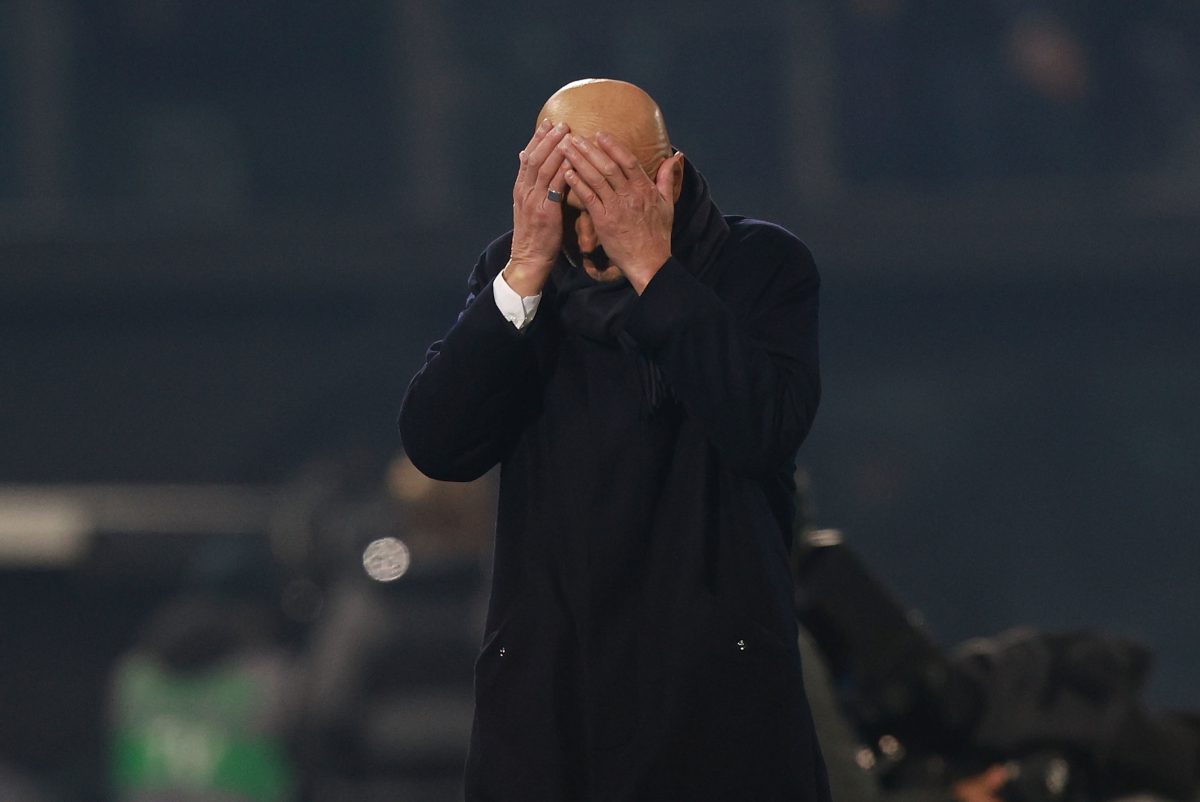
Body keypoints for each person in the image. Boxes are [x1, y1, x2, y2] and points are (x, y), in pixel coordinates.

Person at [398, 78, 826, 801]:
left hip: (712, 705)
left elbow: (763, 429)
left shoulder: (757, 265)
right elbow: (438, 444)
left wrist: (654, 272)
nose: (590, 237)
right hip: (552, 700)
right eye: (569, 200)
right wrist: (523, 272)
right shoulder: (519, 274)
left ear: (670, 178)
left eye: (610, 195)